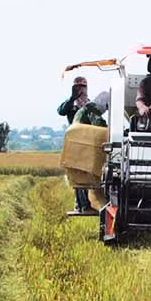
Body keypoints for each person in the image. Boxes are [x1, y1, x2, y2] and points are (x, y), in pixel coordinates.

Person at [58, 76, 97, 213]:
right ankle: (82, 205)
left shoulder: (90, 104)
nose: (80, 89)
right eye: (77, 86)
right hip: (74, 143)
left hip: (87, 143)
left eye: (83, 86)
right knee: (77, 174)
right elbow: (61, 111)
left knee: (85, 174)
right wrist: (72, 98)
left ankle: (83, 204)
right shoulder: (71, 105)